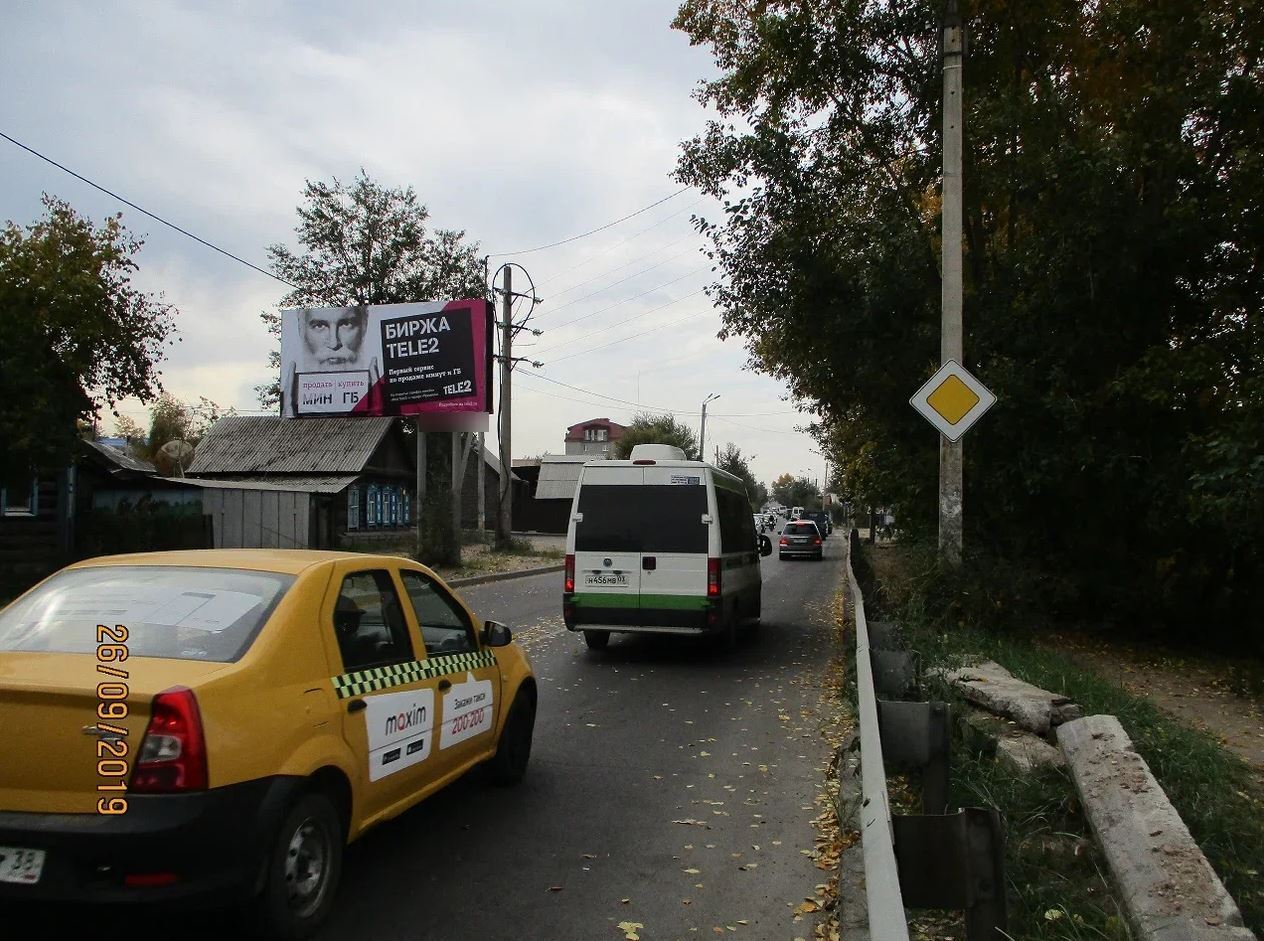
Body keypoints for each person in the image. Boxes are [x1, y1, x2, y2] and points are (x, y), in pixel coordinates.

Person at [282, 305, 380, 417]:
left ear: (365, 325)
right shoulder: (288, 405)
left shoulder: (388, 399)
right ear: (301, 328)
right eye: (319, 326)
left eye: (346, 324)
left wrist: (379, 417)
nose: (334, 343)